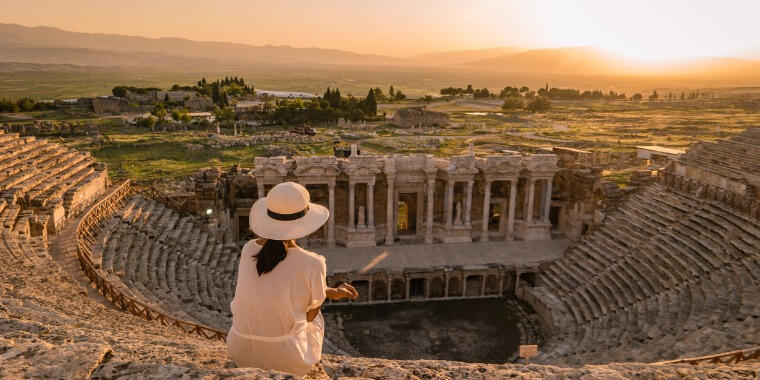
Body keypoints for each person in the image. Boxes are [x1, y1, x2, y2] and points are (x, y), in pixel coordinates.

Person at [226, 182, 358, 376]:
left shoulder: (248, 249)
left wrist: (332, 291)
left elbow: (274, 287)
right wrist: (323, 294)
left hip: (241, 351)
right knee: (316, 318)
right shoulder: (313, 262)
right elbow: (309, 316)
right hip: (287, 359)